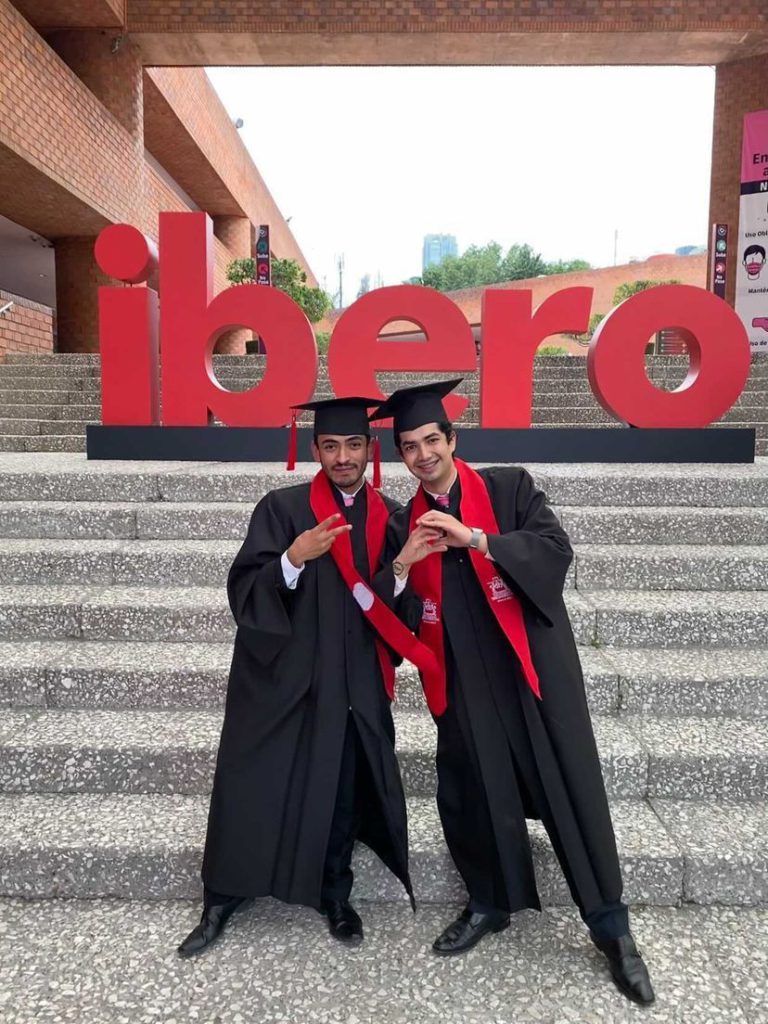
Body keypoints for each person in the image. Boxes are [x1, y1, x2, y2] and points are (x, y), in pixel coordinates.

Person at [368, 380, 655, 1007]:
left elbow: (556, 552)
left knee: (570, 790)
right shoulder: (399, 523)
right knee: (473, 791)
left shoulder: (507, 488)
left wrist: (476, 539)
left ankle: (612, 928)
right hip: (462, 682)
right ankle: (490, 902)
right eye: (409, 447)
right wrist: (400, 564)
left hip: (534, 676)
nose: (422, 455)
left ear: (452, 440)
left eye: (431, 441)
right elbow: (395, 618)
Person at [178, 396, 443, 957]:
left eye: (352, 445)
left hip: (354, 681)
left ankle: (335, 893)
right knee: (252, 781)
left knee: (342, 789)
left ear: (370, 451)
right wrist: (291, 559)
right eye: (330, 446)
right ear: (314, 449)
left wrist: (399, 567)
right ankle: (223, 895)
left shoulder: (393, 517)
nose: (342, 457)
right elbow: (245, 590)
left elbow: (400, 605)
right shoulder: (281, 508)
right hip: (284, 677)